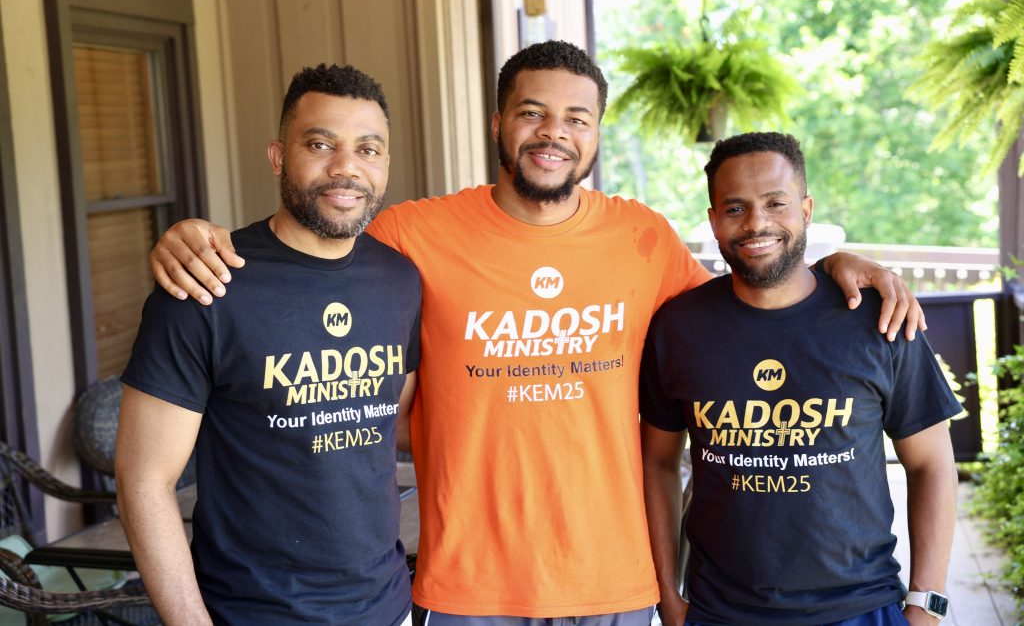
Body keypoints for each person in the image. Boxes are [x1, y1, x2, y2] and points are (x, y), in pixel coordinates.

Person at [147, 41, 925, 625]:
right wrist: (193, 238)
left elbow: (753, 307)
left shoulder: (643, 237)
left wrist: (835, 266)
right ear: (499, 122)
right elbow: (313, 244)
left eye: (576, 118)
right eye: (532, 113)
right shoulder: (411, 235)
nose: (554, 133)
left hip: (616, 583)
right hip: (467, 589)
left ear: (596, 134)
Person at [115, 64, 421, 625]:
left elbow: (388, 423)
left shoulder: (401, 281)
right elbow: (143, 482)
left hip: (388, 607)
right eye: (320, 144)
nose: (346, 167)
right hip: (252, 613)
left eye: (368, 149)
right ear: (279, 156)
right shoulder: (207, 283)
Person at [639, 132, 960, 626]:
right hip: (720, 612)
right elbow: (658, 464)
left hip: (862, 609)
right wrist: (668, 596)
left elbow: (932, 465)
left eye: (776, 203)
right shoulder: (678, 328)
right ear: (714, 221)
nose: (756, 223)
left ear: (806, 209)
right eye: (735, 208)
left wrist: (926, 606)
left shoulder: (879, 319)